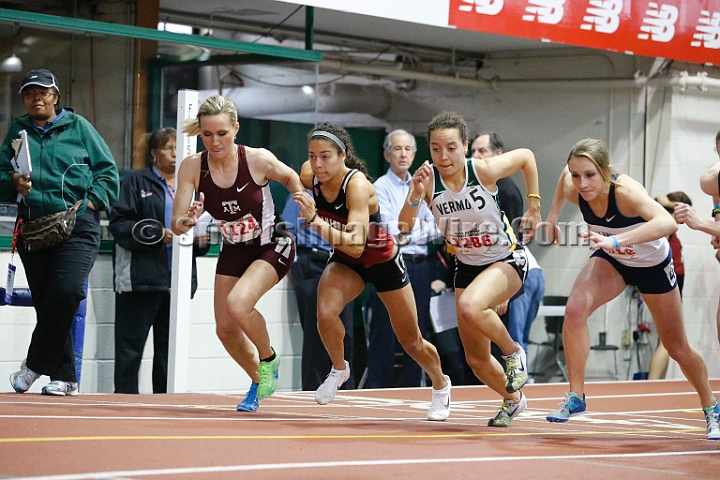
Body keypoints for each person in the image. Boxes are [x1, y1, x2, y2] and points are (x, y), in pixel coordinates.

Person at [543, 138, 720, 440]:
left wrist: (615, 241)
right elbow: (562, 179)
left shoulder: (625, 193)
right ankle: (576, 395)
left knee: (676, 347)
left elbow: (667, 223)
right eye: (576, 175)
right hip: (613, 261)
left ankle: (711, 406)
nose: (581, 183)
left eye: (589, 175)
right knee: (574, 310)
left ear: (605, 171)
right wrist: (552, 217)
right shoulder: (574, 186)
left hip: (651, 264)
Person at [292, 122, 451, 421]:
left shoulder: (358, 185)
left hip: (380, 259)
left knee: (410, 339)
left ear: (342, 156)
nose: (317, 163)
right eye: (312, 155)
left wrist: (315, 220)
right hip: (346, 261)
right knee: (325, 313)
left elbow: (355, 245)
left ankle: (441, 385)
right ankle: (339, 368)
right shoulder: (308, 174)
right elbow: (289, 177)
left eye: (325, 156)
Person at [399, 111, 541, 427]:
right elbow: (403, 228)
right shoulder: (427, 181)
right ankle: (514, 400)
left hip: (507, 259)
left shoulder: (483, 170)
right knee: (475, 360)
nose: (443, 156)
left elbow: (527, 157)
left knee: (469, 306)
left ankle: (513, 353)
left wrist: (534, 205)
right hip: (467, 266)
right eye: (436, 149)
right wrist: (413, 193)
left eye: (451, 148)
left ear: (464, 146)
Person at [171, 95, 304, 412]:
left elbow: (290, 176)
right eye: (207, 134)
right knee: (225, 329)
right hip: (234, 247)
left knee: (238, 304)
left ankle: (268, 358)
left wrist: (301, 197)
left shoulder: (257, 159)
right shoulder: (192, 167)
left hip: (273, 242)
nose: (214, 141)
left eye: (222, 133)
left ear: (236, 130)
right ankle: (258, 383)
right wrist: (187, 220)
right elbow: (176, 224)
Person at [1, 68, 119, 395]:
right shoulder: (17, 131)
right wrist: (11, 182)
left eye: (43, 93)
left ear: (55, 96)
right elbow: (0, 178)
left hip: (77, 224)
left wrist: (91, 204)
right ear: (24, 99)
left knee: (66, 292)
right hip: (35, 229)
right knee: (50, 304)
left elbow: (107, 173)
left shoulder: (79, 127)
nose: (36, 98)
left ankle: (34, 365)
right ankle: (65, 378)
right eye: (29, 94)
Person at [110, 127, 208, 394]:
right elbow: (119, 225)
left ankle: (163, 407)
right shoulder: (135, 182)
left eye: (179, 148)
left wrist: (202, 240)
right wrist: (158, 234)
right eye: (168, 147)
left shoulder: (193, 185)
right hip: (140, 281)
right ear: (154, 153)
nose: (175, 154)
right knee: (129, 352)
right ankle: (124, 406)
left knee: (168, 354)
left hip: (176, 282)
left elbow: (201, 228)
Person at [366, 129, 441, 388]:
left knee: (418, 331)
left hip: (420, 266)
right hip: (389, 263)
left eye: (408, 149)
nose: (403, 154)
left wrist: (408, 232)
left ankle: (415, 389)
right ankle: (376, 391)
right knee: (384, 332)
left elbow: (437, 226)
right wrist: (408, 230)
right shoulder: (379, 187)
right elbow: (390, 229)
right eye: (397, 149)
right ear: (387, 154)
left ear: (414, 154)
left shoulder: (425, 186)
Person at [471, 132, 546, 357]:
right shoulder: (479, 187)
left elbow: (516, 244)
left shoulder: (506, 190)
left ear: (499, 155)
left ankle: (517, 388)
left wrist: (506, 292)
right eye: (472, 151)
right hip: (492, 273)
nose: (476, 155)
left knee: (510, 344)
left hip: (515, 276)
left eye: (482, 151)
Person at [281, 192, 355, 391]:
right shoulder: (302, 196)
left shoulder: (346, 195)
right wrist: (294, 265)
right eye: (315, 159)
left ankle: (346, 393)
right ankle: (313, 392)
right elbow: (285, 233)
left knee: (344, 332)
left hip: (341, 263)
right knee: (316, 333)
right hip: (311, 263)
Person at [648, 191, 691, 380]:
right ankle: (651, 384)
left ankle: (657, 384)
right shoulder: (663, 224)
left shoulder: (668, 228)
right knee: (667, 343)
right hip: (668, 281)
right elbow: (653, 200)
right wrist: (666, 202)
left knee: (666, 340)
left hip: (672, 281)